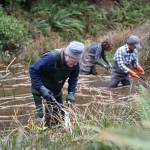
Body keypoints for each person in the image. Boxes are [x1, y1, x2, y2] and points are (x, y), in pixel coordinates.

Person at [29, 41, 84, 127]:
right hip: (40, 91)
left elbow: (74, 78)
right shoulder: (51, 57)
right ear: (66, 55)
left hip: (56, 91)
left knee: (58, 116)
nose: (75, 64)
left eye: (77, 62)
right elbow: (33, 70)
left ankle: (57, 133)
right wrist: (42, 88)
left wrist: (71, 93)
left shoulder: (75, 63)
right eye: (73, 61)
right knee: (41, 118)